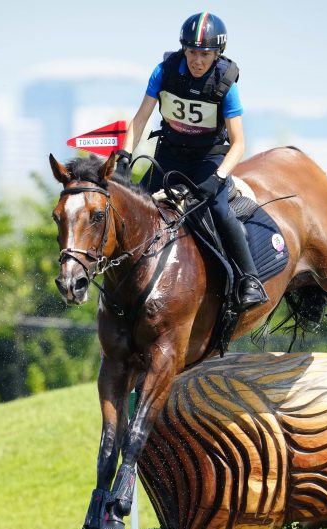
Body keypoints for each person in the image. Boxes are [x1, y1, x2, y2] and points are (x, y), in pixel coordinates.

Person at [116, 11, 268, 310]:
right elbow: (139, 120)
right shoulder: (164, 72)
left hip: (207, 161)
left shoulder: (226, 84)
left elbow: (238, 144)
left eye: (204, 54)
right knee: (133, 207)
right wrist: (123, 156)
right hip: (169, 155)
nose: (197, 60)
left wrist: (219, 178)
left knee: (220, 211)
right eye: (191, 52)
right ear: (183, 49)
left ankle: (250, 280)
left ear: (216, 54)